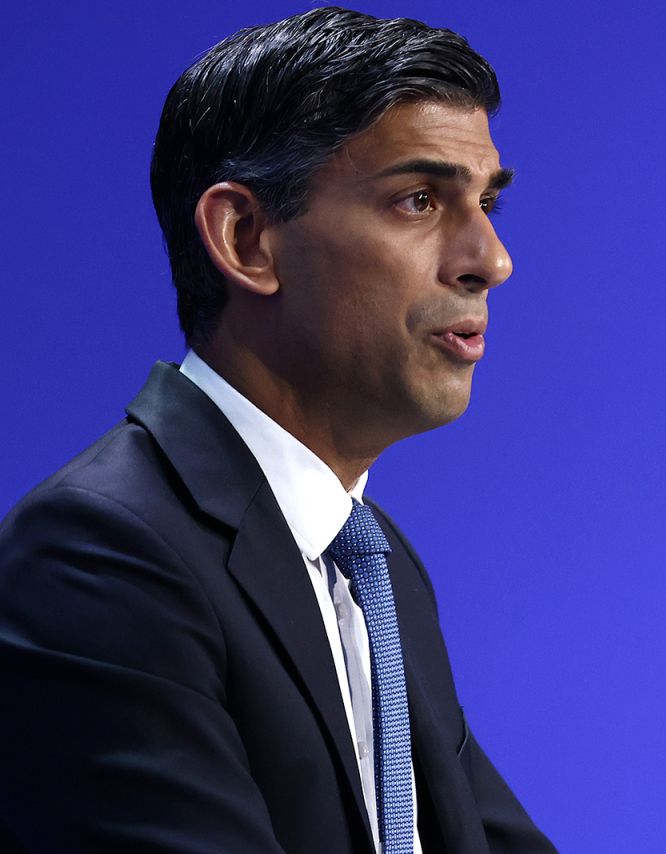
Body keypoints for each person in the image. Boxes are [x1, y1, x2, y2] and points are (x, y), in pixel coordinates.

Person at [0, 8, 556, 853]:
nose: (490, 258)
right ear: (247, 238)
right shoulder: (99, 554)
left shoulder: (375, 565)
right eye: (419, 200)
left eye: (486, 203)